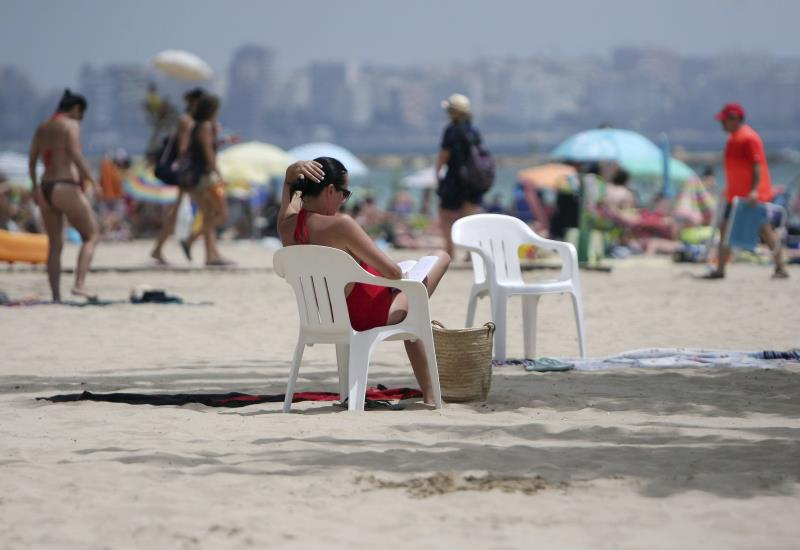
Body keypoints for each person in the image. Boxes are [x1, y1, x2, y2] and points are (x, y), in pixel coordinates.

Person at [277, 157, 450, 406]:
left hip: (326, 316)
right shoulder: (341, 225)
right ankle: (432, 395)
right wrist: (399, 277)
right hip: (367, 316)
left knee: (416, 305)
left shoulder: (287, 228)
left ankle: (432, 393)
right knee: (439, 259)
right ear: (329, 190)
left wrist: (288, 179)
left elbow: (288, 207)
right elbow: (391, 272)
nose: (343, 200)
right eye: (344, 194)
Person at [28, 89, 99, 301]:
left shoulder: (43, 126)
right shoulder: (71, 125)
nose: (81, 119)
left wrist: (34, 187)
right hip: (65, 185)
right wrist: (93, 181)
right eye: (82, 114)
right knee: (92, 235)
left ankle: (56, 296)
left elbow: (32, 160)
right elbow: (75, 154)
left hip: (45, 188)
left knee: (55, 245)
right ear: (76, 109)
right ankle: (79, 285)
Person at [705, 103, 788, 279]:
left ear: (735, 119)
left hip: (751, 196)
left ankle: (781, 267)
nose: (722, 124)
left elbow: (757, 166)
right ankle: (720, 269)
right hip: (734, 196)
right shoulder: (733, 138)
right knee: (724, 228)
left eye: (725, 120)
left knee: (765, 230)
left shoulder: (749, 138)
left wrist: (754, 191)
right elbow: (736, 169)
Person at [150, 88, 205, 264]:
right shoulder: (187, 121)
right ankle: (193, 244)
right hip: (184, 174)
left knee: (178, 212)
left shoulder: (188, 120)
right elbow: (183, 150)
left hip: (182, 173)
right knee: (208, 210)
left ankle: (158, 249)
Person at [435, 93, 487, 257]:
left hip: (455, 179)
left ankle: (450, 250)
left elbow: (445, 155)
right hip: (474, 180)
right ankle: (471, 253)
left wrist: (437, 172)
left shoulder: (451, 131)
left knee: (446, 215)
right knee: (470, 217)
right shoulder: (474, 131)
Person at [184, 94, 232, 266]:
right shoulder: (205, 126)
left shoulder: (197, 126)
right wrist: (219, 175)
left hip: (199, 178)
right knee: (222, 214)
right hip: (206, 178)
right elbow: (208, 154)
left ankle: (211, 255)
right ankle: (191, 240)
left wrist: (222, 139)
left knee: (209, 216)